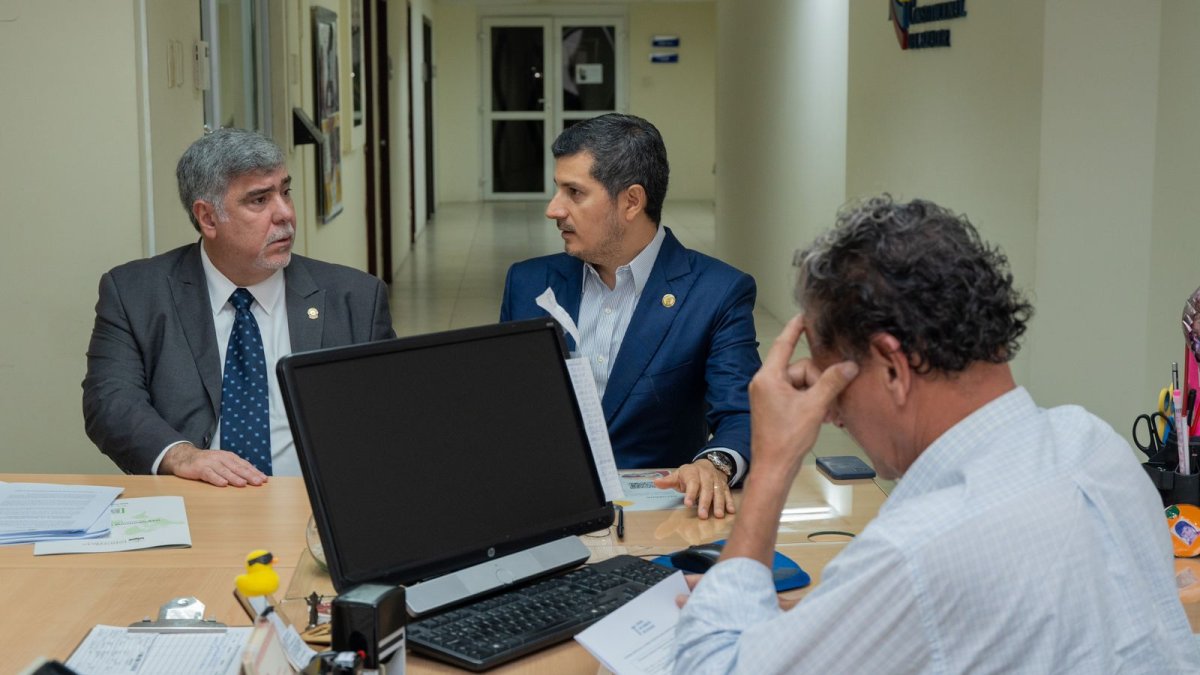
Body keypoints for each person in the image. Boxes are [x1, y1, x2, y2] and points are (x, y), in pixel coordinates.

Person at [674, 196, 1197, 672]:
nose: (831, 416)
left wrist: (770, 463)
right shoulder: (1093, 444)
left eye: (834, 385)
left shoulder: (917, 550)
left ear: (893, 368)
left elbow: (709, 666)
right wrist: (834, 621)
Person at [83, 129, 395, 487]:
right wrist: (180, 454)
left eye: (285, 192)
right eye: (259, 200)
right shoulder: (136, 293)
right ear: (208, 218)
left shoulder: (355, 297)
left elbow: (389, 417)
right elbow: (109, 402)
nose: (285, 214)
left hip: (313, 504)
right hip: (194, 502)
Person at [500, 113, 760, 520]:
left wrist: (714, 465)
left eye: (574, 192)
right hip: (543, 509)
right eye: (557, 190)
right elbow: (506, 406)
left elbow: (742, 413)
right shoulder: (527, 282)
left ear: (632, 202)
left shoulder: (716, 292)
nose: (554, 209)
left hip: (656, 518)